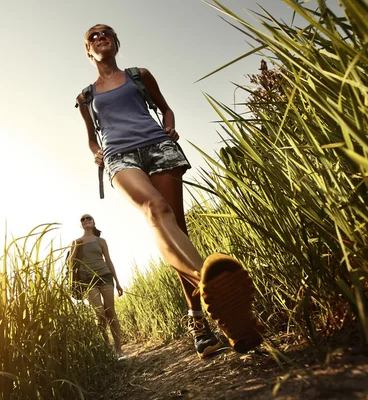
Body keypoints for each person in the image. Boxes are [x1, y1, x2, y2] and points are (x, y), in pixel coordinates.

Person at [75, 24, 264, 358]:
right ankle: (210, 283)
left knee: (177, 226)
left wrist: (170, 125)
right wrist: (95, 151)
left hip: (159, 147)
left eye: (106, 33)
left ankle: (201, 327)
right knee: (156, 208)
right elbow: (92, 135)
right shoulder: (86, 97)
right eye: (93, 36)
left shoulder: (139, 75)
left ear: (116, 43)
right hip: (120, 157)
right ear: (88, 51)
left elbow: (165, 108)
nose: (100, 37)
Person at [68, 214, 126, 361]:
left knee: (110, 312)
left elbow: (108, 260)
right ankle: (107, 349)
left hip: (105, 276)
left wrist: (117, 282)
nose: (86, 220)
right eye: (83, 219)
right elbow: (70, 263)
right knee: (100, 314)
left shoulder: (101, 241)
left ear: (93, 223)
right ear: (80, 225)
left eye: (89, 218)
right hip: (88, 280)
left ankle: (118, 351)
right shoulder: (76, 241)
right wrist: (76, 247)